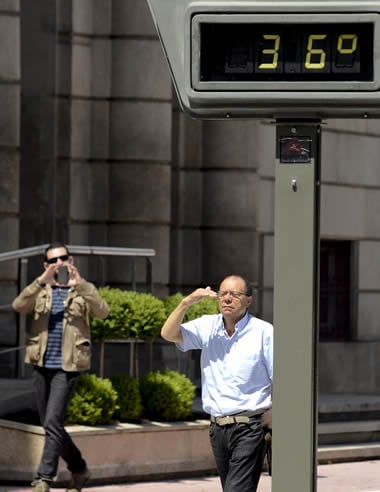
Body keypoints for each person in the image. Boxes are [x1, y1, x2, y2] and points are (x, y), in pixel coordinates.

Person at [161, 274, 273, 492]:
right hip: (217, 429)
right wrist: (186, 302)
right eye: (223, 294)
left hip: (250, 427)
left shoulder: (264, 332)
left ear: (249, 300)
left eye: (235, 294)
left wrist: (273, 414)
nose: (227, 299)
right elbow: (168, 333)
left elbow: (283, 376)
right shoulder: (207, 326)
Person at [12, 242, 109, 492]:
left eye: (63, 258)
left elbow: (103, 311)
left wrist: (82, 285)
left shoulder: (81, 290)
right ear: (47, 265)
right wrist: (40, 281)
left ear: (71, 260)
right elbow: (18, 306)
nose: (59, 264)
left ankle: (44, 478)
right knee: (51, 425)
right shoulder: (41, 290)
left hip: (67, 368)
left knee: (53, 421)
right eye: (53, 261)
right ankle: (79, 469)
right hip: (41, 364)